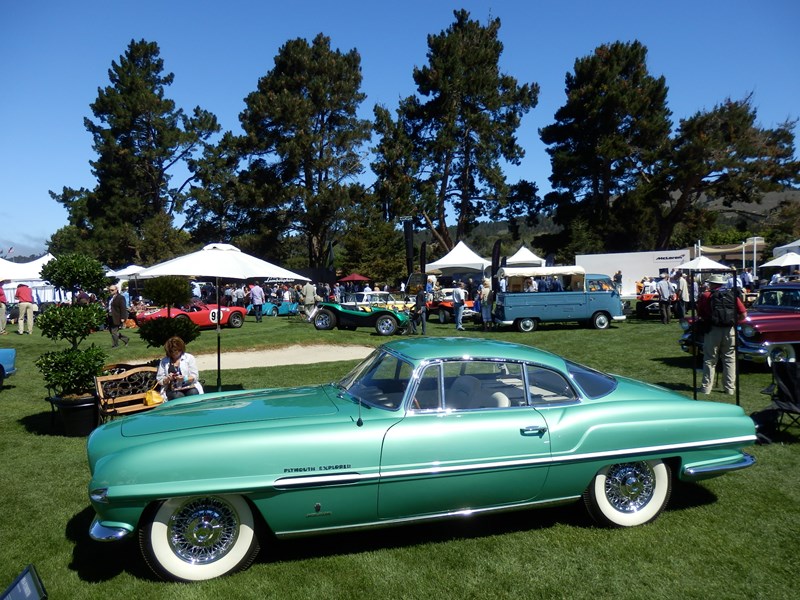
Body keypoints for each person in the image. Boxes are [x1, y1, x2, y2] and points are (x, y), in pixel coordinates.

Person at [696, 273, 747, 395]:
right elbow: (744, 314)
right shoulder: (732, 295)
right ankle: (729, 388)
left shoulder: (706, 295)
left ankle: (706, 387)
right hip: (729, 330)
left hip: (712, 329)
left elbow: (700, 313)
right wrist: (734, 322)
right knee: (729, 359)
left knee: (709, 359)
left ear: (712, 284)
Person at [107, 284, 130, 349]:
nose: (110, 291)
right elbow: (109, 306)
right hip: (110, 316)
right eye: (109, 290)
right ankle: (125, 339)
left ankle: (115, 345)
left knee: (114, 331)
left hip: (117, 316)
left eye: (112, 290)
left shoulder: (120, 297)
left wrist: (123, 317)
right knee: (112, 331)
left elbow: (123, 308)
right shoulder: (109, 298)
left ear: (116, 290)